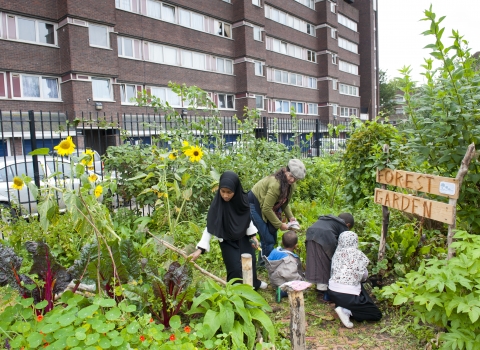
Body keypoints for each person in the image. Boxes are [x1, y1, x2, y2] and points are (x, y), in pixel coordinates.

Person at [190, 171, 267, 290]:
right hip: (226, 239)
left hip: (243, 236)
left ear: (235, 190)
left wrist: (253, 237)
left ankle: (253, 284)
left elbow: (246, 219)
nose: (225, 195)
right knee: (235, 268)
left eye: (229, 192)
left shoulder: (242, 201)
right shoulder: (217, 205)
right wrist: (200, 249)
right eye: (222, 191)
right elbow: (210, 226)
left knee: (249, 262)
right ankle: (234, 291)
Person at [248, 159, 306, 266]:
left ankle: (264, 261)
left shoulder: (291, 185)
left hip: (269, 205)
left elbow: (284, 202)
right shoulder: (276, 184)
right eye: (291, 176)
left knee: (272, 233)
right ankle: (266, 265)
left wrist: (291, 218)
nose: (293, 180)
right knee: (267, 238)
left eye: (296, 179)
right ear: (285, 171)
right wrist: (280, 224)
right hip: (254, 204)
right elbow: (266, 208)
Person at [328, 231, 382, 328]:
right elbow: (363, 276)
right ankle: (346, 311)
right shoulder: (357, 254)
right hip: (347, 295)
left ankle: (343, 306)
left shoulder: (337, 252)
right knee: (376, 314)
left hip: (332, 291)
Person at [305, 213, 354, 300]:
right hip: (325, 235)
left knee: (314, 258)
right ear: (348, 225)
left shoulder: (330, 220)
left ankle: (318, 285)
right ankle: (324, 290)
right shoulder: (343, 227)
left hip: (311, 232)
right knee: (326, 261)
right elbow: (342, 244)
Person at [265, 230, 304, 301]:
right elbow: (291, 275)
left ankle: (279, 288)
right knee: (299, 287)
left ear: (282, 243)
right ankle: (283, 292)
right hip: (283, 283)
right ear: (296, 246)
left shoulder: (274, 251)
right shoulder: (291, 259)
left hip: (273, 280)